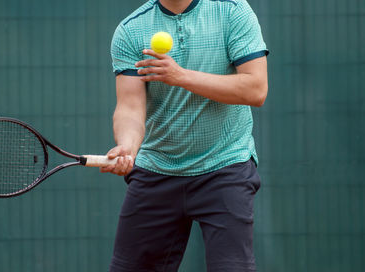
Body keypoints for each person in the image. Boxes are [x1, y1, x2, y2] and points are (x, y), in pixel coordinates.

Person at [102, 0, 268, 270]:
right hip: (157, 169)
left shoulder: (233, 11)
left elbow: (256, 89)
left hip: (224, 166)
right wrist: (127, 146)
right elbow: (130, 107)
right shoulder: (131, 30)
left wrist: (180, 76)